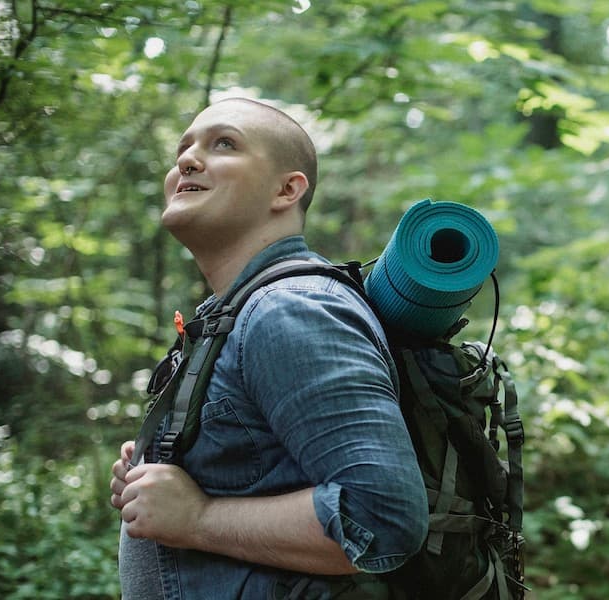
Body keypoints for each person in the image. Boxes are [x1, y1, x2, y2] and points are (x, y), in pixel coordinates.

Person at [108, 98, 429, 599]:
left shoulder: (289, 310)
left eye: (224, 144)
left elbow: (382, 518)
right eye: (183, 150)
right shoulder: (233, 312)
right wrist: (160, 478)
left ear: (287, 189)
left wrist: (197, 518)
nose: (187, 161)